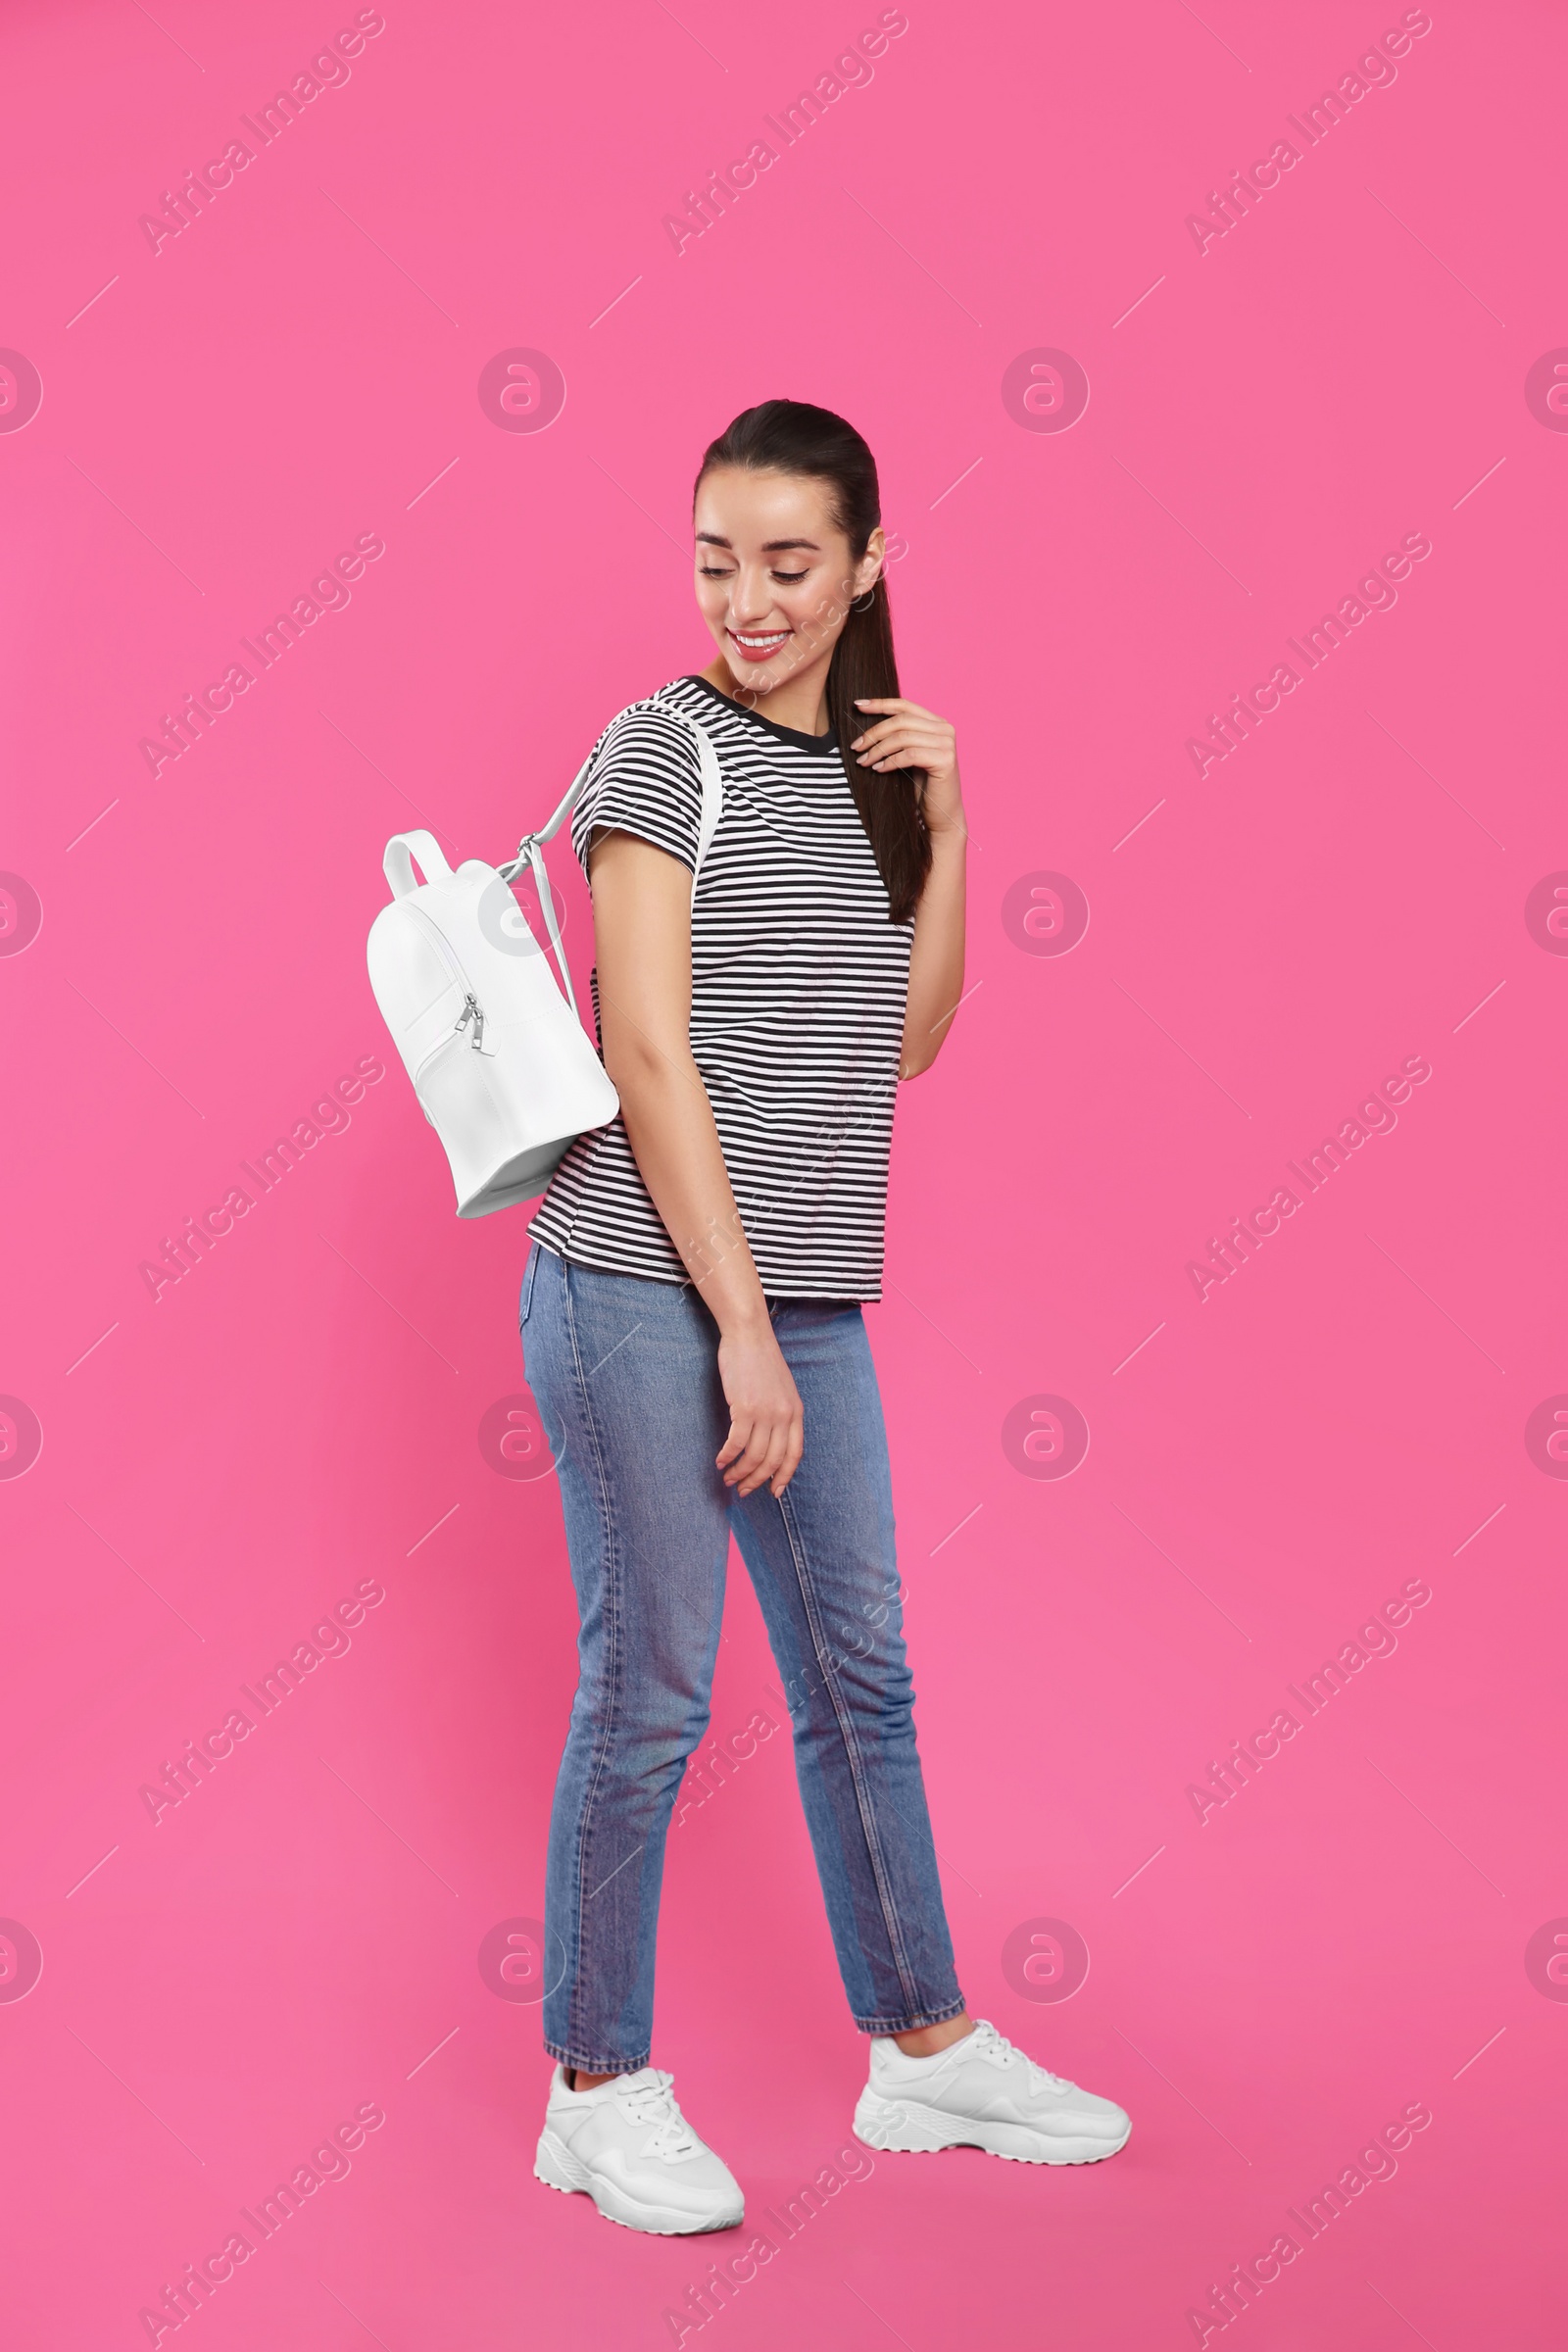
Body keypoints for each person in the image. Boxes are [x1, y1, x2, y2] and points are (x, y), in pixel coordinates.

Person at [521, 399, 1129, 2235]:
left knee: (862, 1685)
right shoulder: (660, 751)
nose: (750, 600)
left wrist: (949, 813)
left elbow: (911, 1034)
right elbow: (645, 1049)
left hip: (805, 1292)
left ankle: (923, 2046)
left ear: (869, 562)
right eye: (719, 560)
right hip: (639, 1281)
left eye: (790, 563)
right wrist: (747, 1335)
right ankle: (594, 2087)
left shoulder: (865, 769)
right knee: (655, 1689)